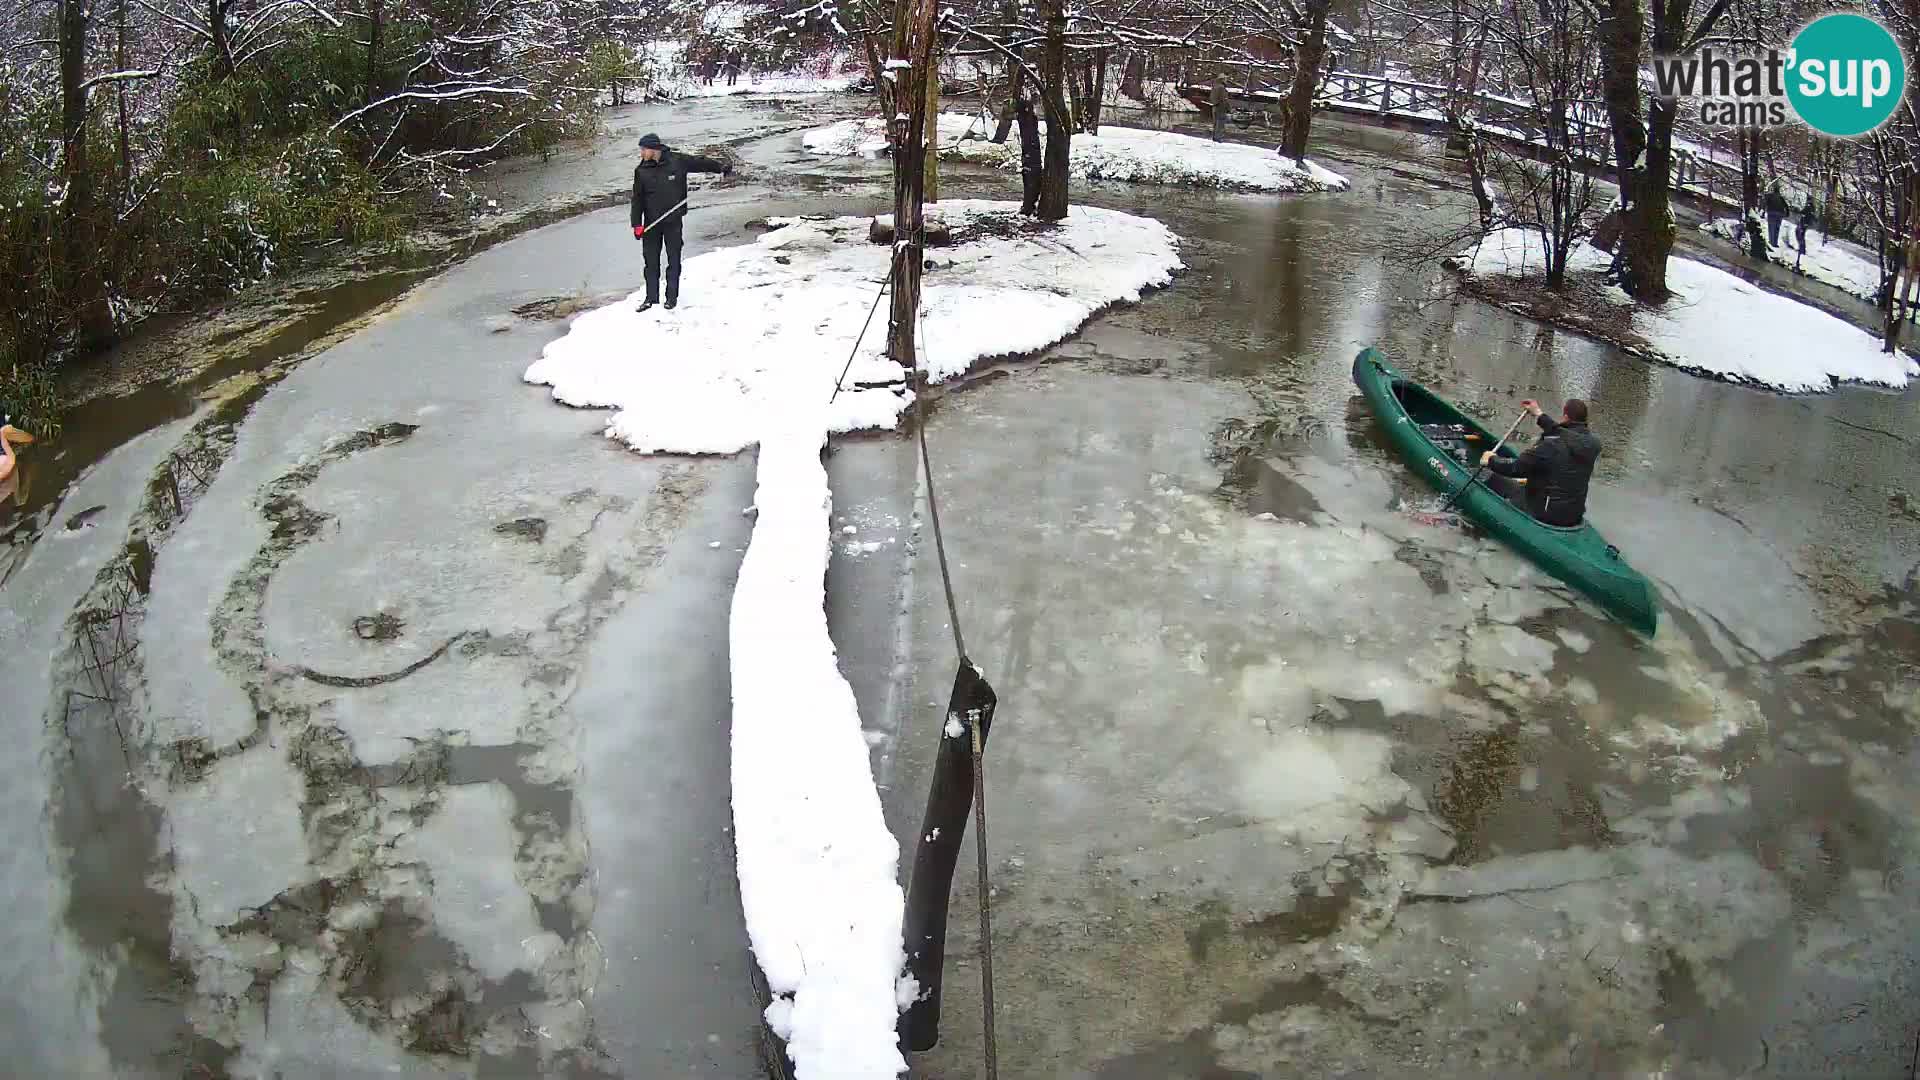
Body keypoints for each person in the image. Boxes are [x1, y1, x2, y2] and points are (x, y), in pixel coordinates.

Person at [630, 133, 732, 311]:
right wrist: (636, 224)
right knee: (651, 262)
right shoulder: (641, 171)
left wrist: (721, 167)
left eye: (643, 149)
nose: (641, 153)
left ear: (653, 149)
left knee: (673, 260)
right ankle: (650, 298)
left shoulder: (677, 161)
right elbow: (637, 199)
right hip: (651, 224)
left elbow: (700, 162)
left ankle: (671, 298)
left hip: (673, 221)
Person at [1478, 398, 1600, 528]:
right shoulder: (1593, 444)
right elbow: (1562, 432)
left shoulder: (1551, 445)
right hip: (1574, 514)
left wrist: (1490, 460)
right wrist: (1538, 413)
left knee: (1490, 477)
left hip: (1545, 513)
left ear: (1565, 416)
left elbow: (1515, 468)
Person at [1764, 180, 1791, 249]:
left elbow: (1765, 203)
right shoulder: (1780, 197)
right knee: (1776, 228)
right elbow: (1786, 206)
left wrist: (1764, 211)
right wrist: (1787, 213)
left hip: (1771, 213)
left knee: (1771, 228)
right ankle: (1775, 243)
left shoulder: (1770, 196)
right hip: (1779, 214)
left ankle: (1771, 242)